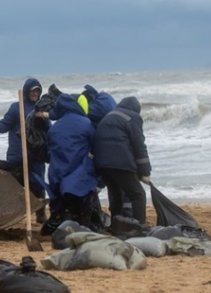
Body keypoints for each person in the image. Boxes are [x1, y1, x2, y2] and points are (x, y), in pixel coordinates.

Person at [0, 78, 49, 223]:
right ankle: (11, 214)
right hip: (17, 154)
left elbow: (48, 130)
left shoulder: (41, 109)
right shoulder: (16, 108)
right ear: (26, 91)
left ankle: (40, 214)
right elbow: (4, 125)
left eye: (37, 91)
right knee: (14, 184)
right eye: (33, 91)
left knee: (38, 184)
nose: (35, 93)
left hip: (36, 155)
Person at [91, 96, 151, 225]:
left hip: (102, 163)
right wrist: (145, 171)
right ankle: (140, 227)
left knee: (116, 195)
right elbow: (139, 145)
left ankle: (116, 225)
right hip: (120, 162)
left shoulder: (109, 116)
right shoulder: (133, 117)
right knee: (138, 194)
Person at [44, 92, 99, 230]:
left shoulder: (55, 127)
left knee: (66, 208)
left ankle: (65, 222)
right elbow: (95, 146)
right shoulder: (86, 124)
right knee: (83, 201)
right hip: (79, 174)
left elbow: (49, 151)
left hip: (58, 174)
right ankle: (83, 224)